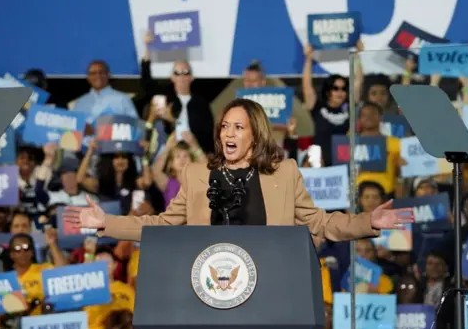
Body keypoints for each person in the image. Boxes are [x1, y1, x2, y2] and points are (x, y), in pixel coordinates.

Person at [65, 99, 413, 244]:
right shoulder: (197, 174)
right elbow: (161, 224)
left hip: (269, 287)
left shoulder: (285, 172)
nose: (228, 134)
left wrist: (368, 222)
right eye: (224, 127)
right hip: (210, 285)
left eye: (238, 128)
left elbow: (321, 223)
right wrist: (105, 223)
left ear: (256, 134)